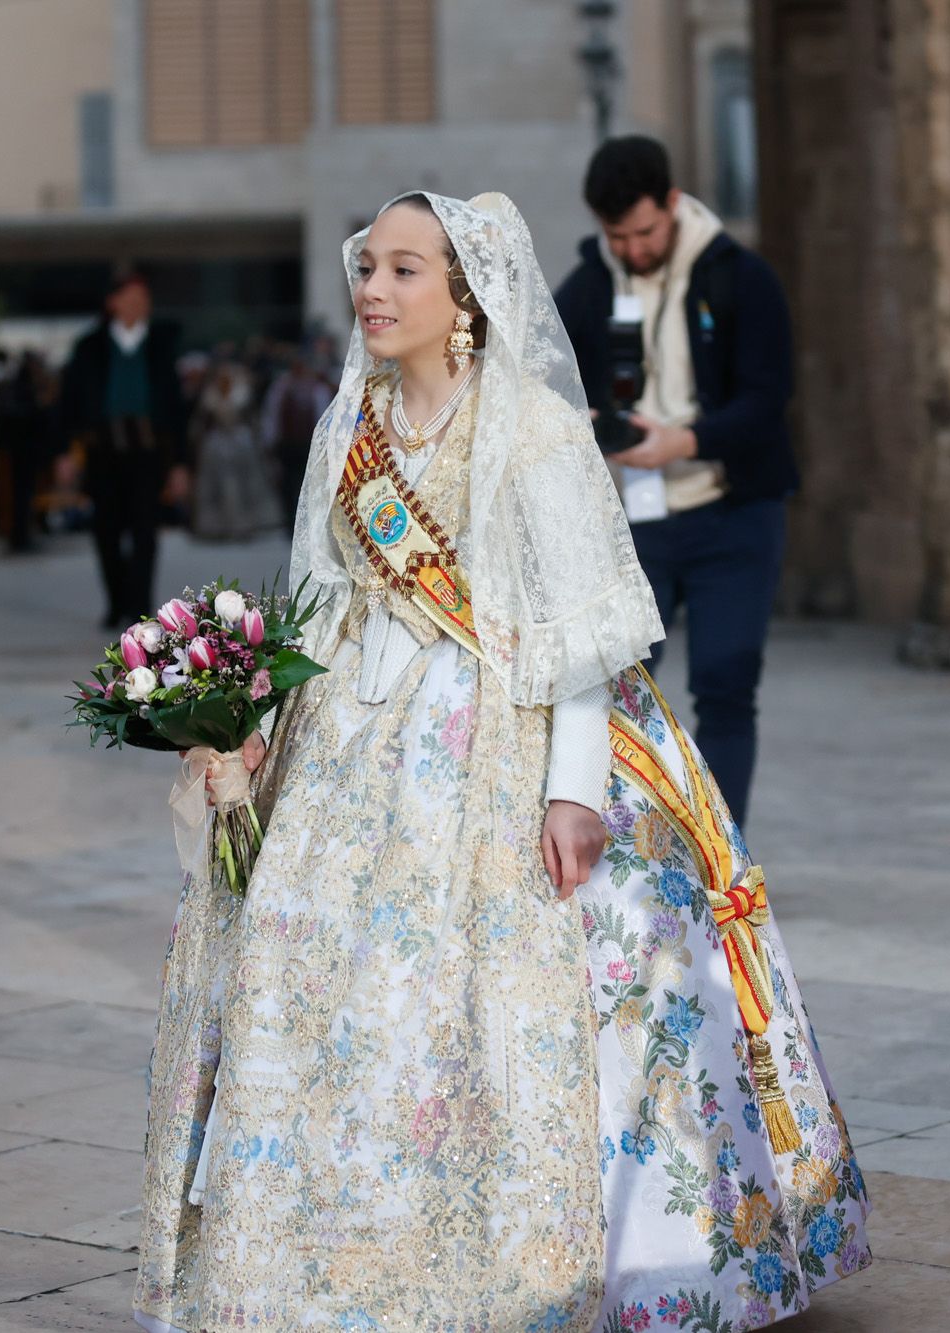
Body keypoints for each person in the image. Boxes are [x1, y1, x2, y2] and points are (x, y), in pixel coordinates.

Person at [133, 191, 868, 1331]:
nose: (374, 290)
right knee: (311, 971)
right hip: (348, 739)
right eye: (368, 267)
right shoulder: (347, 424)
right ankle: (314, 1259)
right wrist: (257, 721)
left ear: (466, 296)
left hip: (498, 731)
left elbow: (581, 633)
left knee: (487, 995)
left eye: (405, 270)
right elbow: (319, 592)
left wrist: (572, 790)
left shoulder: (532, 429)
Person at [555, 135, 799, 824]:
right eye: (617, 237)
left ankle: (723, 857)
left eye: (645, 232)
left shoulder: (741, 277)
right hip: (632, 525)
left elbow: (769, 395)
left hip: (732, 511)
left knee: (727, 685)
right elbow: (545, 382)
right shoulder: (587, 288)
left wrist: (685, 442)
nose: (633, 250)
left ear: (671, 202)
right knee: (619, 688)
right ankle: (628, 855)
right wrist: (586, 419)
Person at [59, 269, 189, 629]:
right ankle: (117, 603)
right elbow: (68, 402)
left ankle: (140, 607)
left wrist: (180, 463)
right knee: (106, 532)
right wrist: (64, 452)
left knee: (146, 533)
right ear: (112, 303)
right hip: (103, 454)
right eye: (130, 298)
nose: (137, 305)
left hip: (148, 454)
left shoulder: (160, 346)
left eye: (143, 300)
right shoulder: (90, 347)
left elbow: (176, 408)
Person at [187, 358, 280, 541]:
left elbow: (253, 421)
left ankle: (246, 524)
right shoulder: (209, 396)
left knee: (245, 485)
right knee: (218, 486)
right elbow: (201, 423)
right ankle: (219, 526)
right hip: (216, 445)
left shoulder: (242, 395)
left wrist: (261, 442)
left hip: (241, 443)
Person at [0, 348, 57, 553]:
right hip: (23, 449)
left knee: (26, 493)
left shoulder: (23, 388)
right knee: (21, 494)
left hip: (25, 449)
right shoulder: (22, 390)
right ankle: (20, 535)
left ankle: (24, 533)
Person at [259, 345, 333, 522]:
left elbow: (323, 417)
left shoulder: (317, 389)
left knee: (308, 483)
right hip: (288, 445)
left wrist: (324, 445)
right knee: (287, 484)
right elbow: (272, 415)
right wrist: (270, 440)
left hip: (309, 444)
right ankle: (289, 520)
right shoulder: (281, 388)